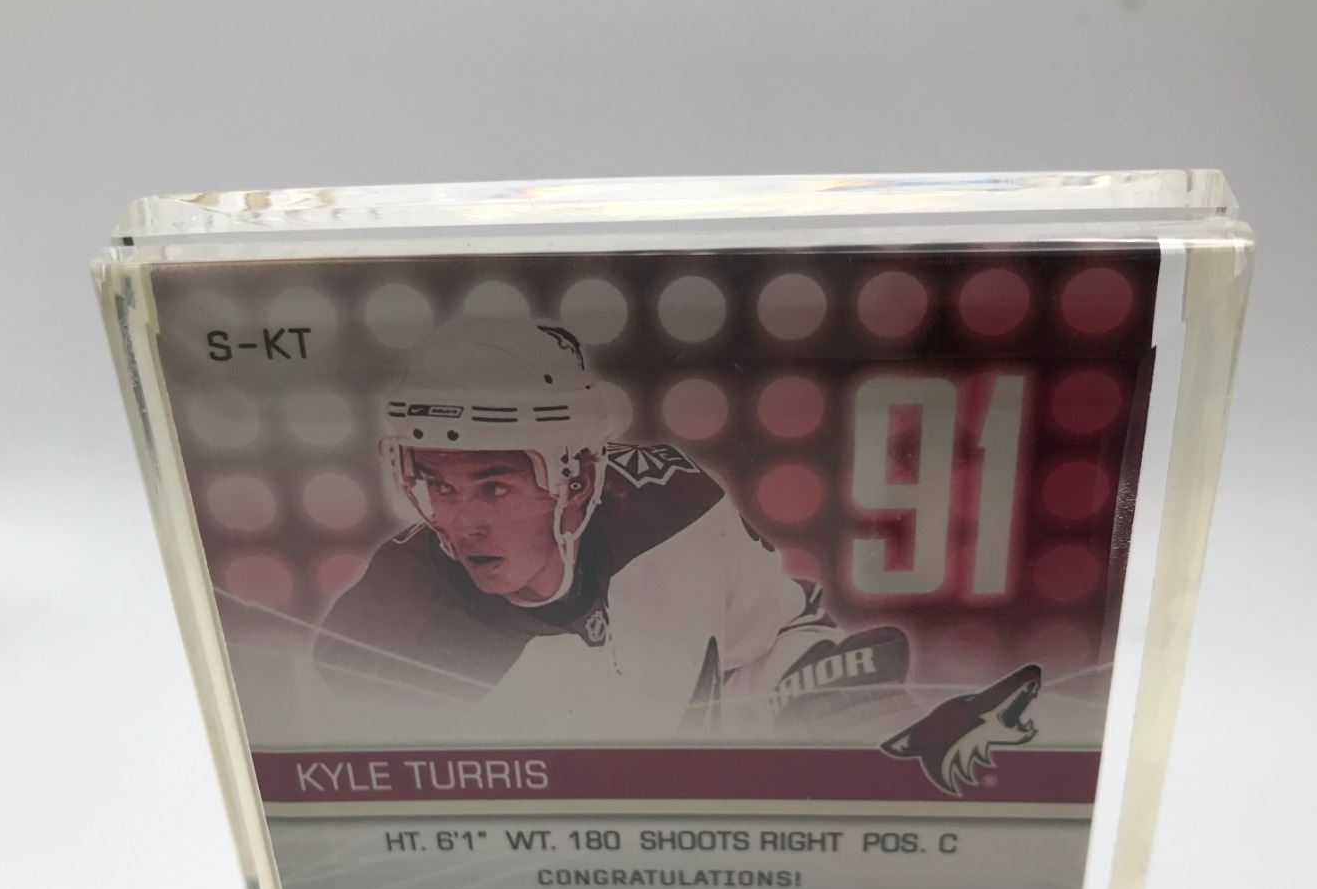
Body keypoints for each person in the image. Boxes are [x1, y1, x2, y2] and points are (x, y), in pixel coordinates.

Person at [315, 312, 908, 740]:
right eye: (439, 486)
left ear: (576, 478)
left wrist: (826, 693)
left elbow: (771, 638)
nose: (462, 523)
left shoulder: (674, 506)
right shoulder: (388, 629)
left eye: (494, 488)